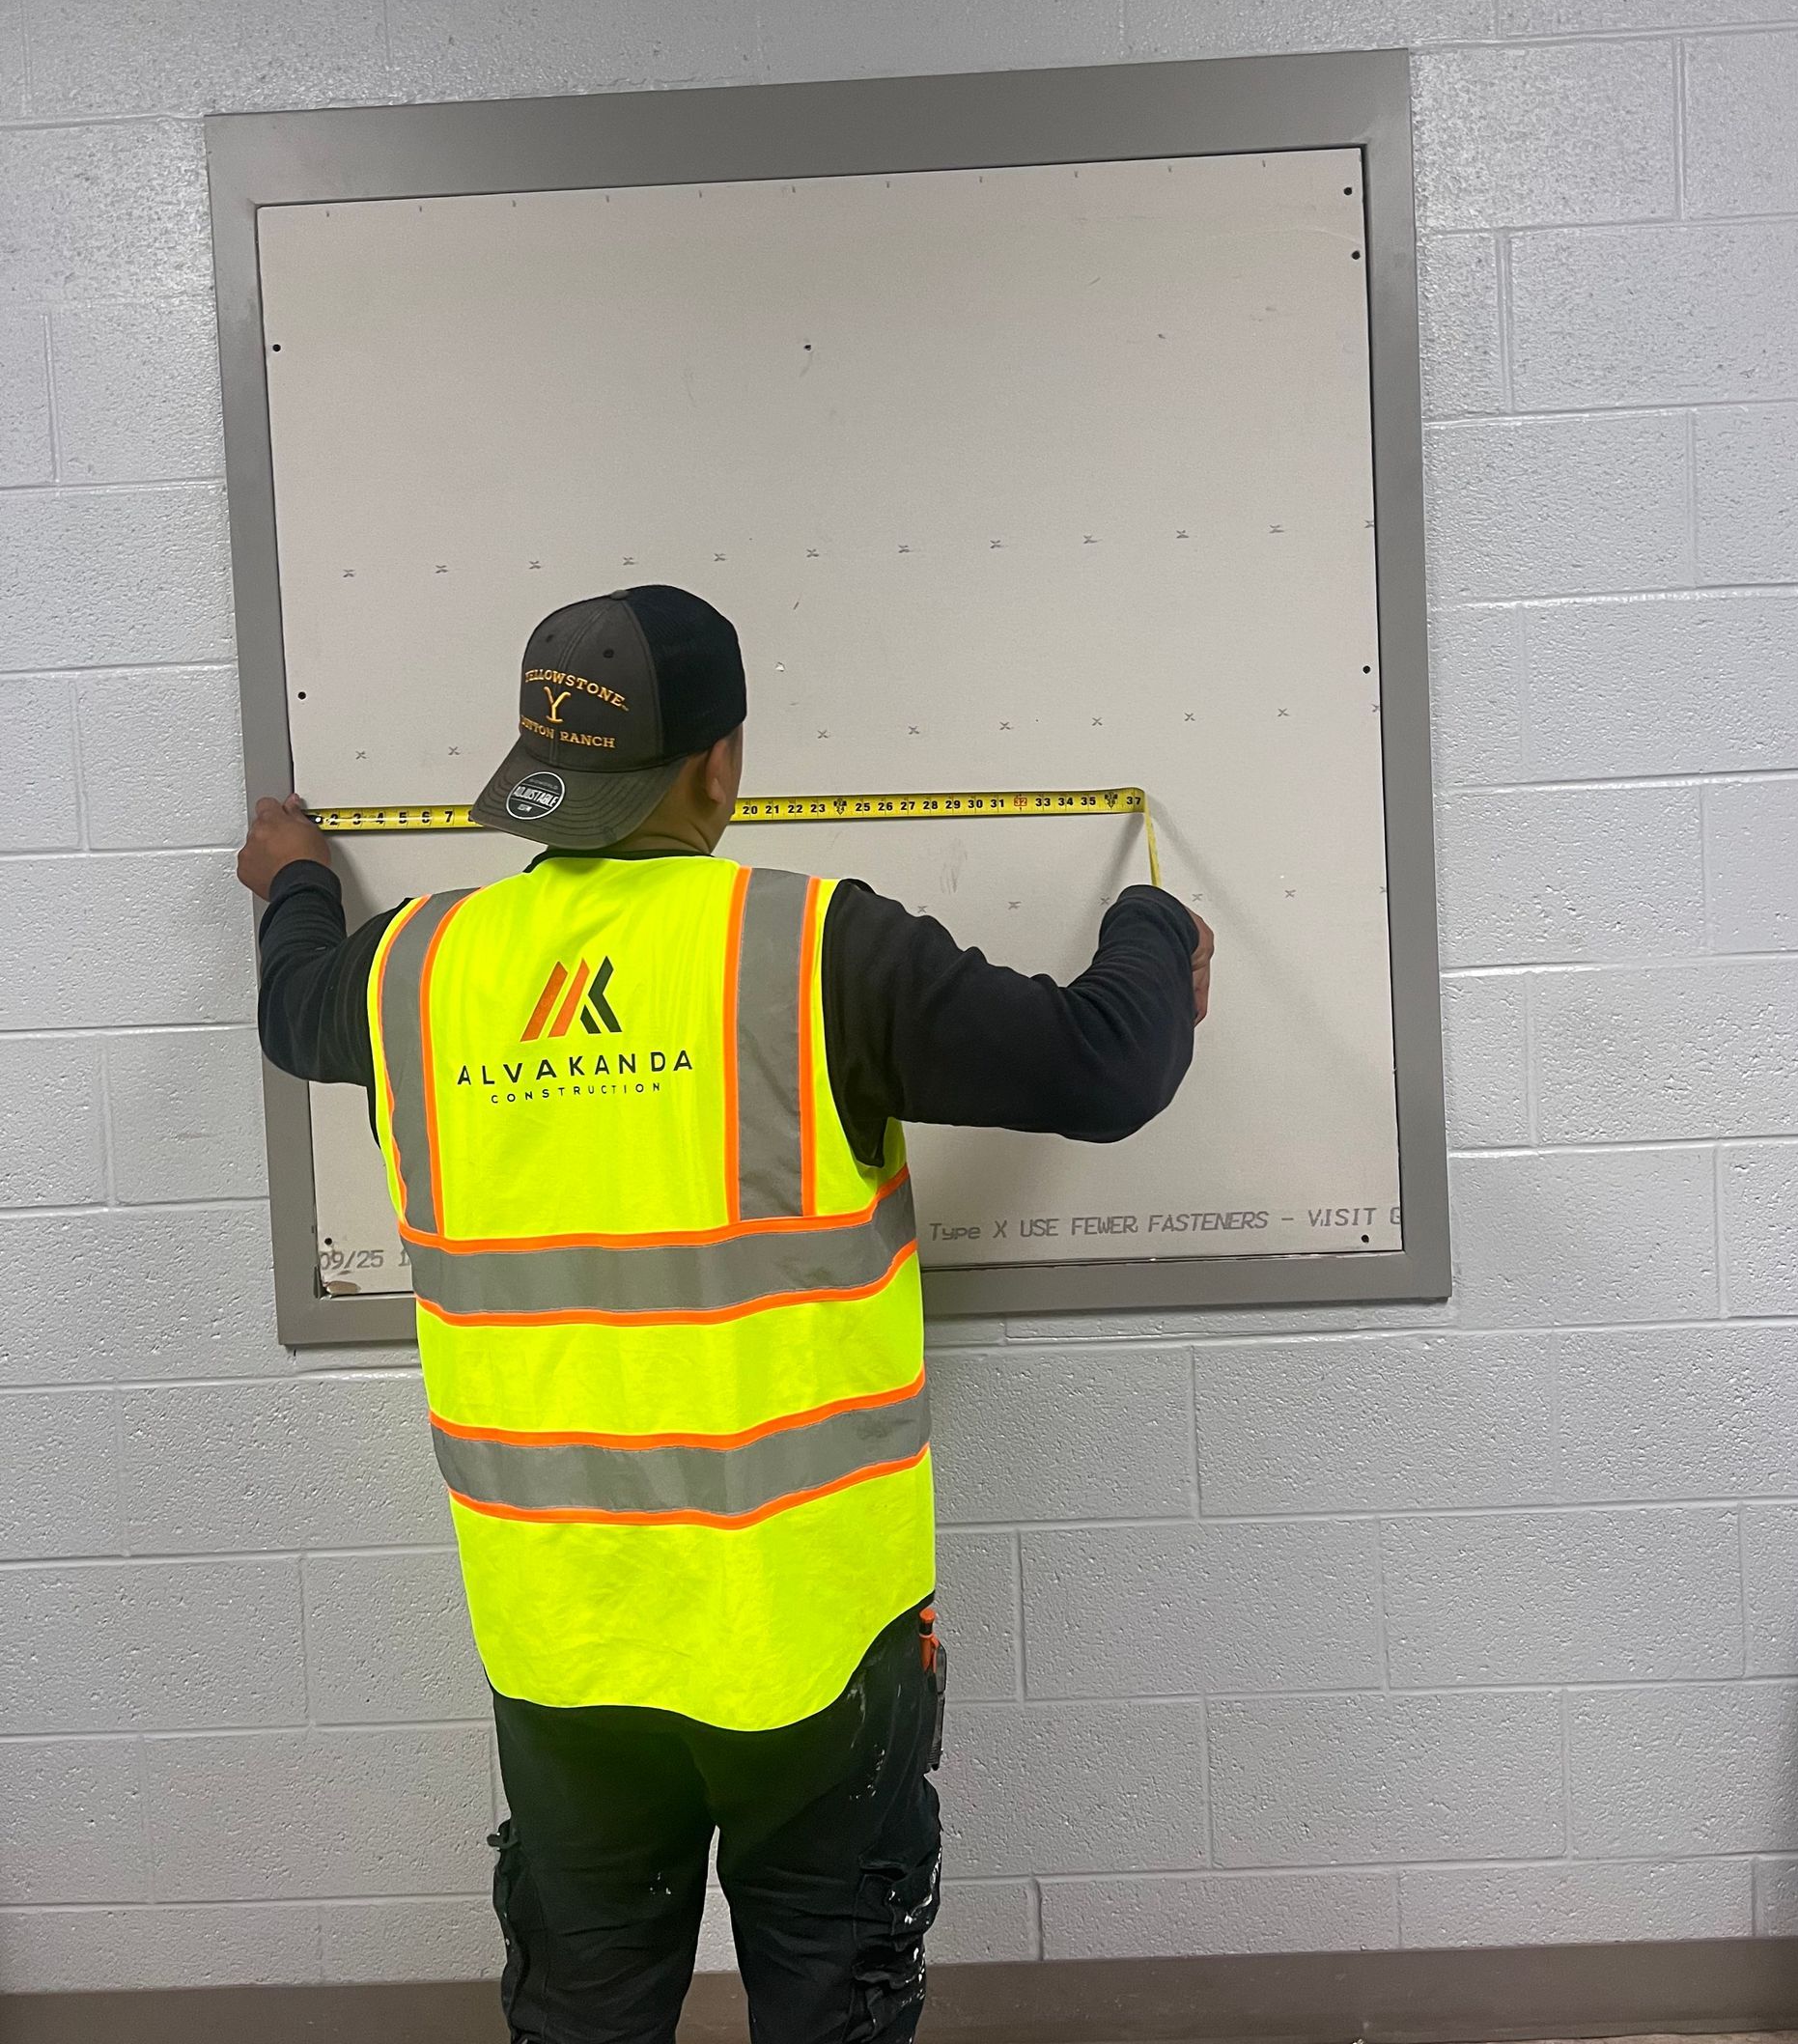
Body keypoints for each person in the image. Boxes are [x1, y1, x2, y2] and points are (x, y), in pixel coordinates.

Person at [239, 584, 1211, 2044]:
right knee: (829, 2007)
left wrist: (299, 876)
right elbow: (1102, 1067)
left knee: (585, 2014)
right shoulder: (813, 954)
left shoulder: (414, 974)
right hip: (806, 1640)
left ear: (539, 768)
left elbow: (293, 1001)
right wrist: (1151, 928)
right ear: (719, 763)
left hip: (563, 1641)